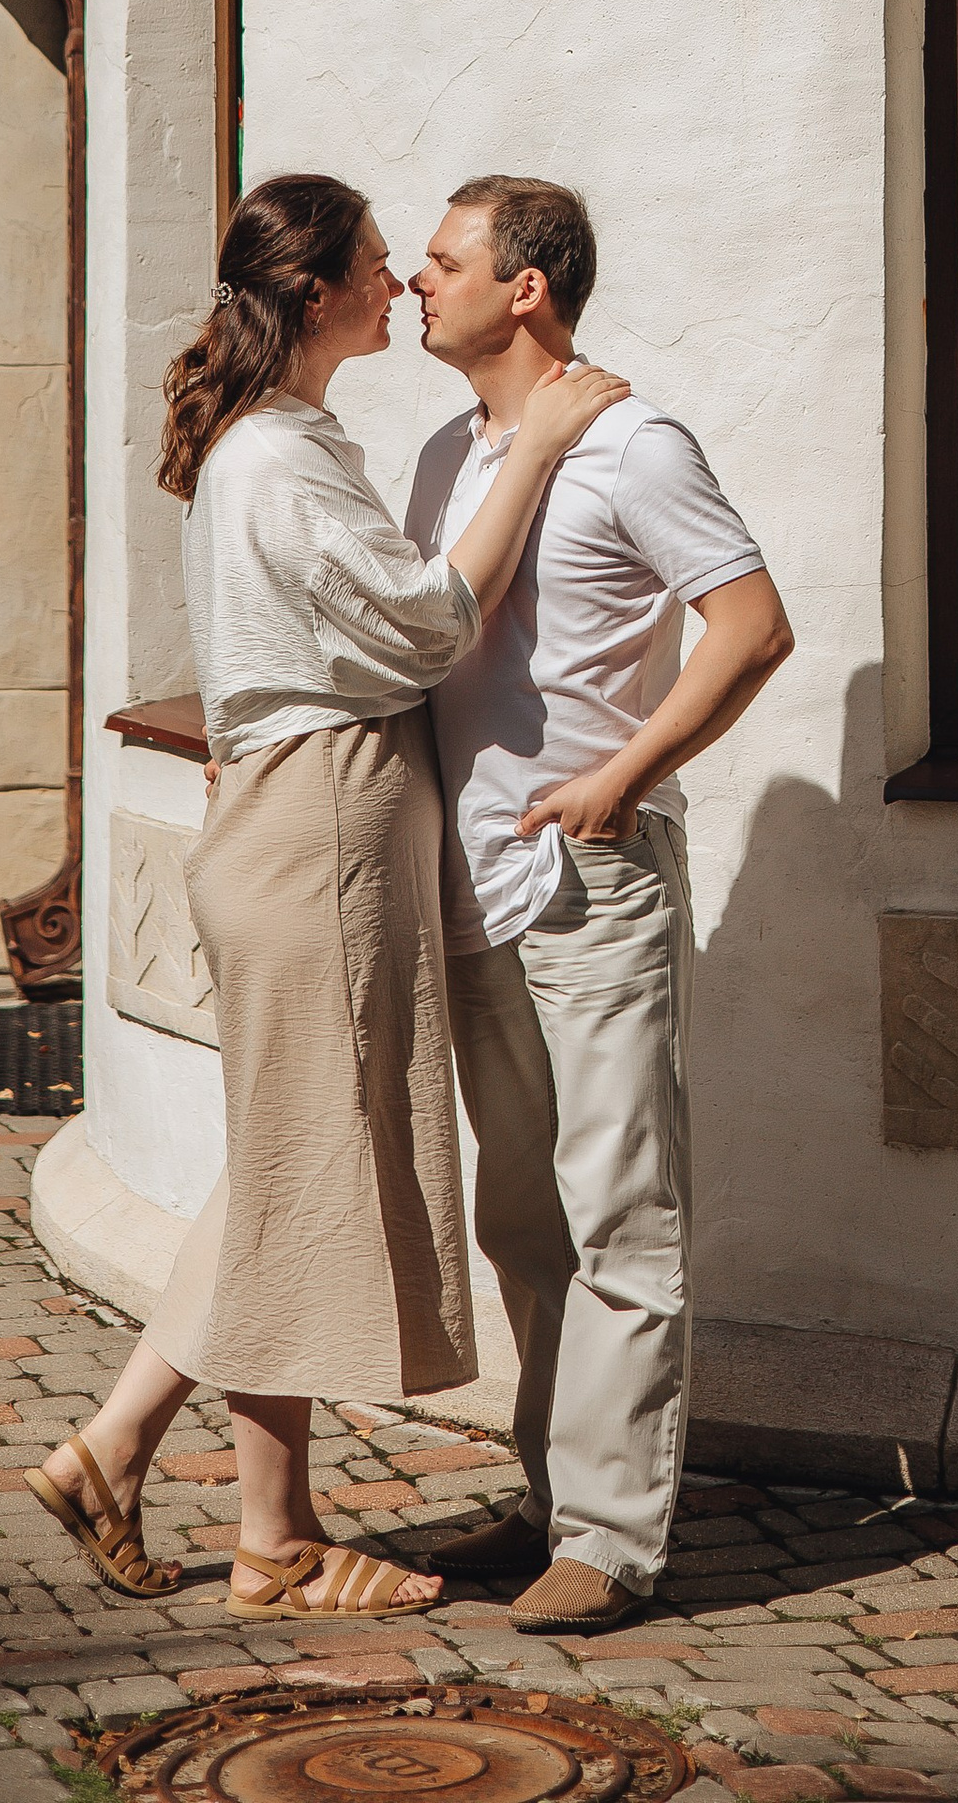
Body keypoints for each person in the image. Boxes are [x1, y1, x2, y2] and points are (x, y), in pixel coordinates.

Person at [25, 170, 625, 1620]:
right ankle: (267, 1539)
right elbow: (427, 627)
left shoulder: (278, 440)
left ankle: (146, 1463)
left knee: (285, 1162)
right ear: (314, 295)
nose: (404, 283)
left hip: (298, 822)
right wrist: (538, 448)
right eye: (380, 262)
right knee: (299, 1169)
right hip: (326, 832)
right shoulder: (277, 459)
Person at [400, 174, 794, 1633]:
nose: (414, 282)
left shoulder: (634, 444)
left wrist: (627, 770)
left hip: (592, 879)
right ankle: (554, 1495)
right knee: (523, 1221)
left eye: (445, 262)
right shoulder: (451, 451)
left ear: (528, 288)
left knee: (624, 1212)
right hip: (476, 886)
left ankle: (615, 1543)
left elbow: (752, 628)